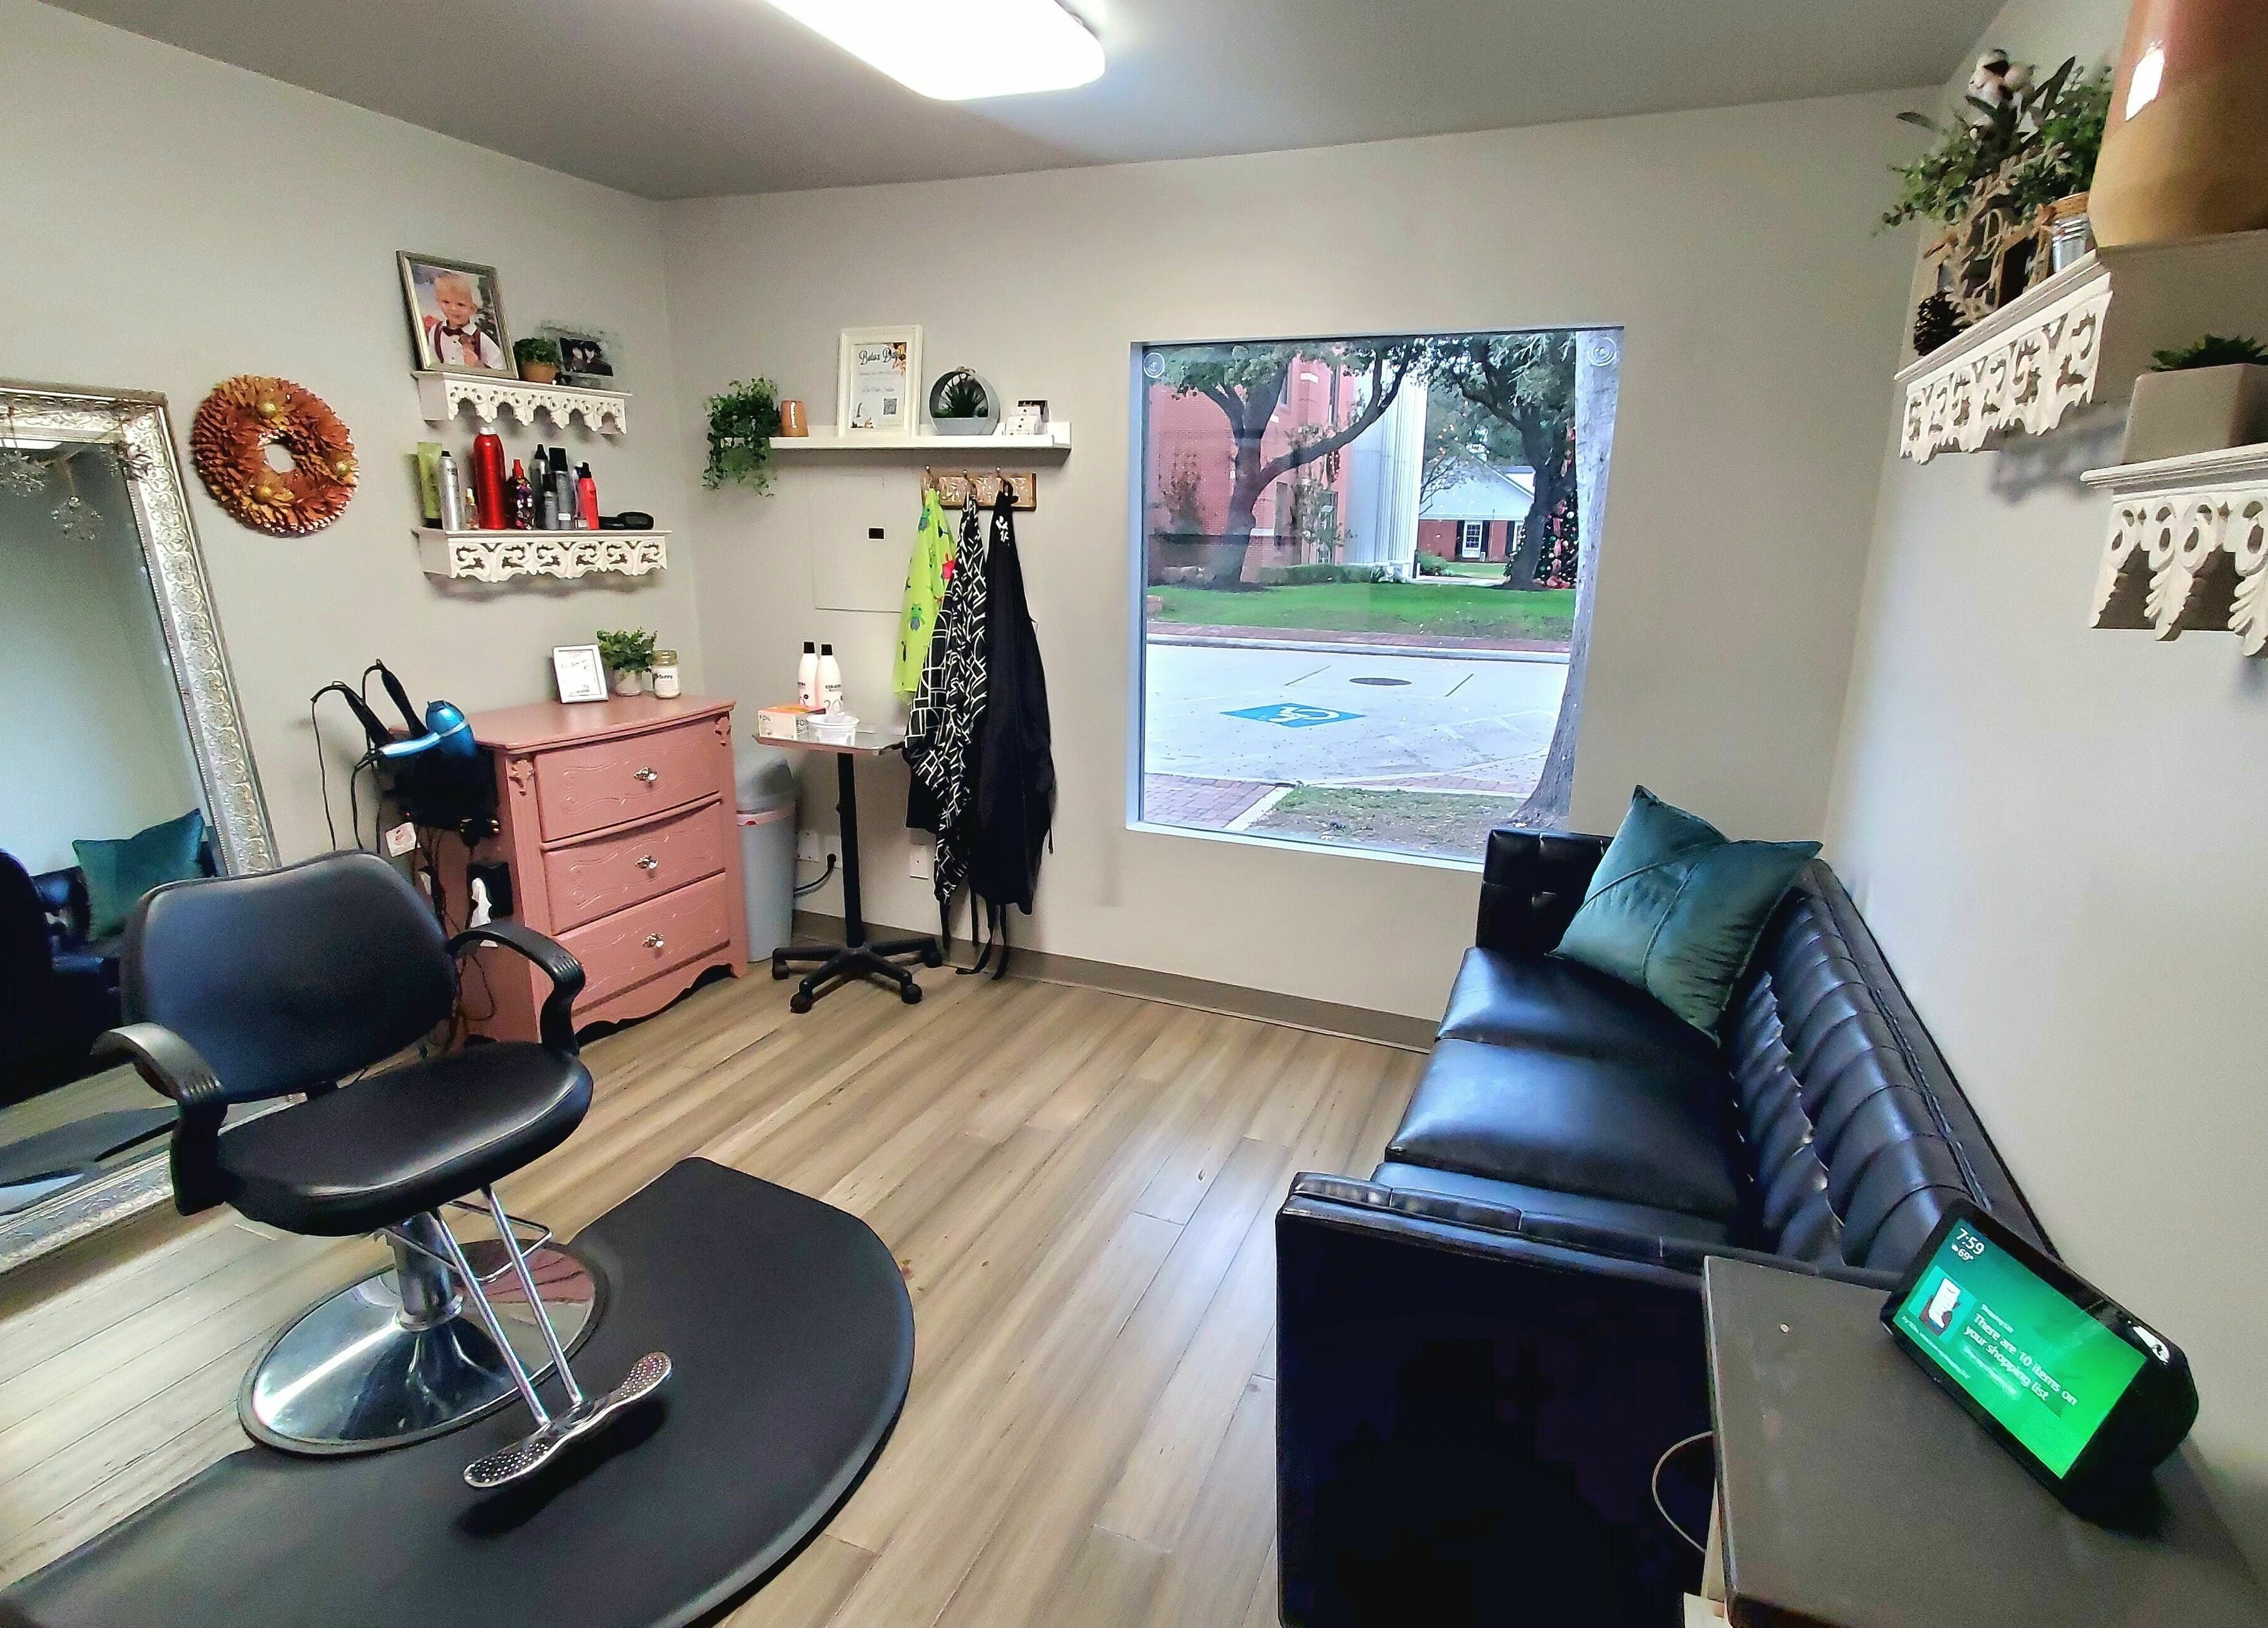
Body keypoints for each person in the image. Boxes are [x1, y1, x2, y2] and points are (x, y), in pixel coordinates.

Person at [423, 271, 503, 370]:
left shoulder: (480, 338)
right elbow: (432, 360)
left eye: (461, 304)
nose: (453, 308)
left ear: (473, 308)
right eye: (446, 302)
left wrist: (477, 364)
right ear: (438, 301)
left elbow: (499, 367)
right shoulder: (435, 331)